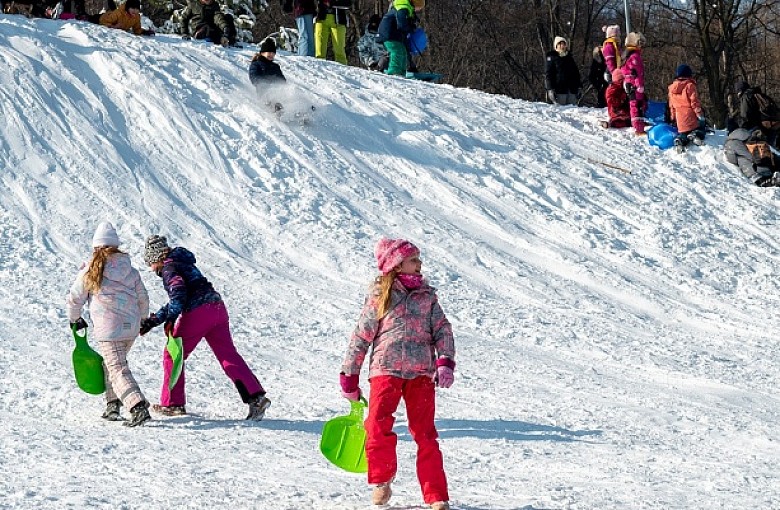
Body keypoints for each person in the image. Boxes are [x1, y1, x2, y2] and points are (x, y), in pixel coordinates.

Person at [340, 238, 456, 510]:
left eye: (418, 258)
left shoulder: (427, 296)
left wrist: (445, 361)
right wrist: (349, 375)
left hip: (421, 374)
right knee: (377, 427)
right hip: (386, 370)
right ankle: (381, 480)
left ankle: (436, 495)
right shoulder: (381, 296)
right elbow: (361, 336)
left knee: (425, 434)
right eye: (414, 259)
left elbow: (443, 329)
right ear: (396, 264)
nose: (420, 264)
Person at [139, 235, 270, 420]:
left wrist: (169, 320)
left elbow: (178, 295)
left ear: (156, 258)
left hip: (198, 312)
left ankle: (172, 403)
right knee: (228, 355)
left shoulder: (169, 268)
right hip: (217, 308)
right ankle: (256, 397)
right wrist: (155, 320)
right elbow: (179, 297)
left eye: (150, 263)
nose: (151, 269)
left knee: (173, 355)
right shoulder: (182, 262)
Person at [66, 222, 152, 427]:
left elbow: (75, 298)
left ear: (96, 247)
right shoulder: (130, 270)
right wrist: (142, 319)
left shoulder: (91, 269)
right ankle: (112, 405)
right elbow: (143, 298)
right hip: (130, 327)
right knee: (111, 365)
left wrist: (74, 319)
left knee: (117, 369)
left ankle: (137, 406)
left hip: (109, 330)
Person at [667, 64, 706, 153]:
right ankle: (696, 134)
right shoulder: (689, 86)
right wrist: (700, 114)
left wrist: (673, 118)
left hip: (680, 119)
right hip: (691, 117)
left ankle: (680, 140)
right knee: (702, 127)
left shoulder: (671, 89)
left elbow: (671, 106)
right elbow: (694, 103)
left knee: (683, 132)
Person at [620, 32, 647, 135]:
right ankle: (639, 128)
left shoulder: (627, 55)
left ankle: (638, 124)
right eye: (641, 44)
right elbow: (638, 72)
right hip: (635, 85)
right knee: (637, 105)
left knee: (634, 104)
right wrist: (639, 85)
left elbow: (625, 70)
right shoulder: (635, 56)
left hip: (629, 84)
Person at [544, 36, 581, 105]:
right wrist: (550, 89)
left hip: (571, 90)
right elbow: (548, 74)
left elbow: (576, 73)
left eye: (563, 44)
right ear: (556, 46)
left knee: (573, 111)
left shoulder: (569, 58)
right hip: (559, 90)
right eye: (560, 44)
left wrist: (579, 86)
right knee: (562, 112)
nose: (562, 46)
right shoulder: (552, 57)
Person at [314, 0, 351, 65]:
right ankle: (319, 69)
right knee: (319, 49)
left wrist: (332, 3)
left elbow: (348, 3)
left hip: (339, 21)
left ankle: (342, 70)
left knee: (339, 48)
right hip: (321, 19)